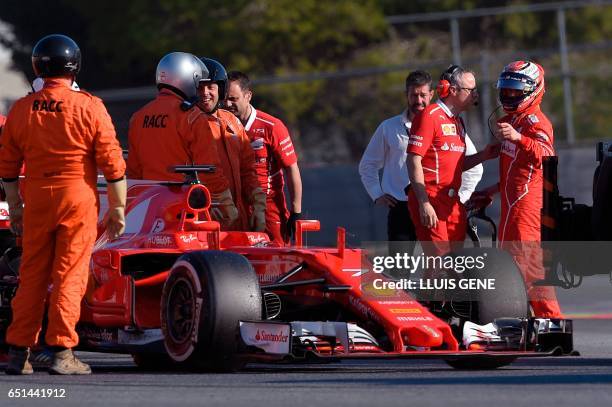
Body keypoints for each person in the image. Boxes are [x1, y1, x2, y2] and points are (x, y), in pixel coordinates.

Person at [0, 34, 127, 375]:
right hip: (77, 197)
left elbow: (8, 165)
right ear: (75, 67)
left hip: (37, 196)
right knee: (70, 275)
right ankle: (62, 352)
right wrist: (117, 209)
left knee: (32, 277)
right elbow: (113, 163)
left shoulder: (23, 108)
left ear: (38, 65)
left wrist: (15, 208)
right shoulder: (89, 105)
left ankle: (18, 352)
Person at [468, 61, 562, 318]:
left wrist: (519, 138)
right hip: (511, 208)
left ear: (533, 90)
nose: (509, 95)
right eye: (506, 90)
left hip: (527, 211)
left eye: (515, 90)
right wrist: (492, 190)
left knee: (530, 270)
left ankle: (553, 327)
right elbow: (515, 171)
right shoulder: (512, 121)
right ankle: (520, 326)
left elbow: (547, 155)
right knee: (510, 271)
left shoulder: (535, 123)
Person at [359, 70, 483, 247]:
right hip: (401, 206)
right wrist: (376, 193)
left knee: (444, 262)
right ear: (406, 95)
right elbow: (368, 164)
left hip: (436, 203)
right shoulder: (389, 127)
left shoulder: (448, 122)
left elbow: (470, 165)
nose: (418, 100)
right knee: (401, 268)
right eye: (413, 95)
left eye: (423, 95)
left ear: (432, 94)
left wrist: (459, 199)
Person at [127, 52, 239, 228]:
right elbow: (210, 169)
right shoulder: (192, 117)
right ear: (187, 78)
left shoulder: (138, 117)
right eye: (196, 82)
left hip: (148, 210)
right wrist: (227, 205)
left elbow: (134, 172)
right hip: (184, 208)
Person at [406, 65, 498, 256]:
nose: (475, 94)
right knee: (440, 262)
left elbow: (457, 166)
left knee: (455, 263)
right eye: (470, 89)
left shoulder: (458, 121)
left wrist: (484, 155)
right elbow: (413, 160)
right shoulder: (429, 116)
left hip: (452, 201)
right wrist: (424, 203)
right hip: (431, 197)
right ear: (452, 90)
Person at [225, 71, 302, 245]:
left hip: (268, 208)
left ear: (248, 96)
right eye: (225, 99)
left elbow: (291, 168)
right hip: (235, 208)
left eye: (233, 99)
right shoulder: (220, 126)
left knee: (276, 261)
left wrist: (296, 211)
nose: (228, 104)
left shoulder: (271, 126)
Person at [196, 59, 266, 232]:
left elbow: (247, 170)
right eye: (200, 87)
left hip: (239, 223)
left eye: (211, 87)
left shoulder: (232, 121)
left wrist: (258, 204)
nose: (205, 93)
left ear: (221, 89)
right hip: (205, 225)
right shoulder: (187, 124)